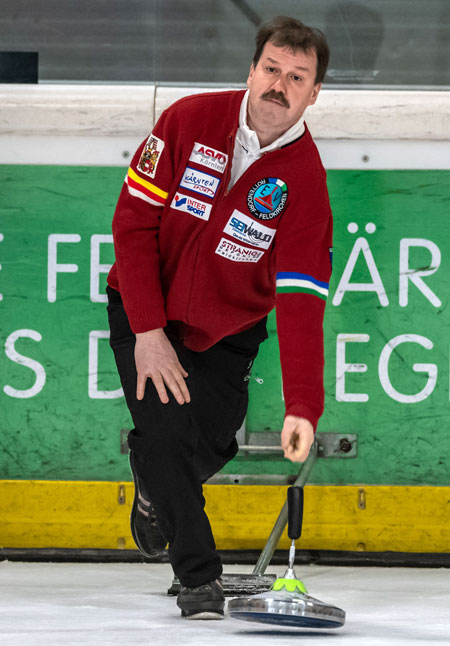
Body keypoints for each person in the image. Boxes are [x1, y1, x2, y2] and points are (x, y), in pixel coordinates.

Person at [106, 15, 332, 620]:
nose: (279, 86)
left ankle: (155, 488)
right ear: (251, 71)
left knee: (209, 444)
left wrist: (303, 406)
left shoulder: (305, 181)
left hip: (228, 331)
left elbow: (303, 297)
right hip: (143, 307)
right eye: (271, 69)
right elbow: (132, 224)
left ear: (314, 94)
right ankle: (199, 579)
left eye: (297, 77)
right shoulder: (187, 120)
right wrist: (148, 330)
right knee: (165, 436)